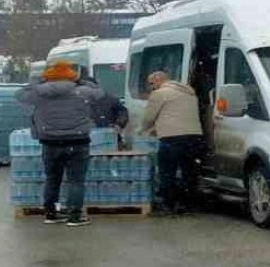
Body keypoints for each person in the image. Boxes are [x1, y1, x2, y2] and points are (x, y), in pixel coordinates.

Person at [16, 60, 103, 227]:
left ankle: (52, 213)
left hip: (50, 142)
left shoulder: (39, 94)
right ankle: (74, 216)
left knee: (52, 179)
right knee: (75, 181)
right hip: (77, 142)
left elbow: (20, 94)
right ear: (72, 76)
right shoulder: (83, 92)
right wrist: (81, 81)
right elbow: (99, 92)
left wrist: (39, 82)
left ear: (48, 77)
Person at [142, 71, 204, 215]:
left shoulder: (160, 94)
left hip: (171, 138)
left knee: (167, 173)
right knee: (189, 172)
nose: (151, 87)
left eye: (152, 83)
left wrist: (143, 129)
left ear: (159, 81)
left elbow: (148, 117)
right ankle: (189, 205)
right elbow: (176, 114)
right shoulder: (189, 93)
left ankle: (168, 205)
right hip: (194, 137)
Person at [79, 76, 129, 149]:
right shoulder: (108, 97)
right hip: (106, 138)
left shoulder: (107, 98)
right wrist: (119, 124)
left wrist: (119, 124)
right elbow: (123, 111)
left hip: (104, 137)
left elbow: (122, 111)